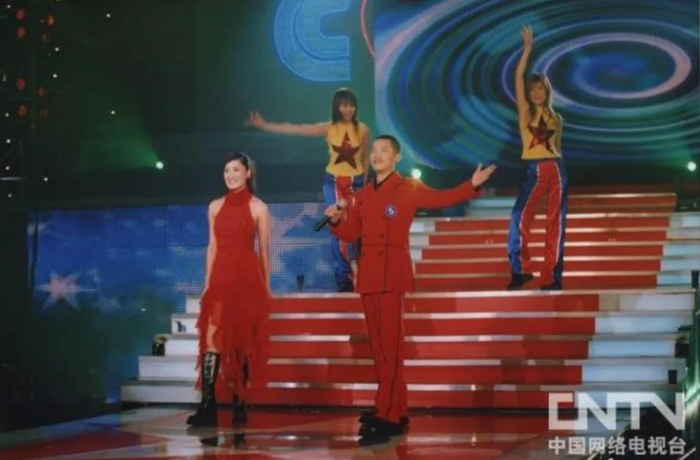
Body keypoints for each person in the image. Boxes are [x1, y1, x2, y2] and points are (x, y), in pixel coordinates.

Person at [325, 135, 496, 445]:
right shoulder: (363, 195)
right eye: (374, 151)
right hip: (369, 276)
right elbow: (352, 233)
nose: (377, 155)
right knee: (379, 348)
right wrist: (336, 221)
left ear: (397, 157)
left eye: (384, 151)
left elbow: (443, 198)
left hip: (392, 274)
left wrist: (471, 184)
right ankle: (394, 408)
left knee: (390, 348)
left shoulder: (407, 188)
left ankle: (387, 414)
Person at [246, 88, 369, 292]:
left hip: (355, 184)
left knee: (356, 228)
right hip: (333, 182)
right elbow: (297, 129)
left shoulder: (363, 129)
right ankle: (343, 278)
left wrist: (363, 184)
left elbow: (365, 158)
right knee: (336, 226)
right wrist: (265, 125)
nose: (348, 109)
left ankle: (362, 273)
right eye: (344, 105)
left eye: (351, 105)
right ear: (337, 107)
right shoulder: (328, 127)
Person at [187, 152, 271, 427]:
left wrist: (266, 287)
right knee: (212, 337)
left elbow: (264, 251)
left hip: (246, 280)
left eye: (236, 169)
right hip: (221, 279)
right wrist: (207, 283)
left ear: (248, 173)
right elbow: (212, 247)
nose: (230, 175)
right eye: (226, 170)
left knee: (241, 341)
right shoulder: (215, 206)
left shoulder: (259, 208)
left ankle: (239, 403)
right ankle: (208, 406)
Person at [507, 25, 569, 291]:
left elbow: (558, 148)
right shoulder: (525, 112)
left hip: (556, 170)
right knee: (519, 216)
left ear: (547, 90)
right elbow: (518, 76)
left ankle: (551, 278)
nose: (536, 93)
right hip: (535, 170)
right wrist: (527, 50)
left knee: (555, 224)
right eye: (532, 89)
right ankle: (521, 270)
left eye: (540, 88)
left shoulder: (557, 118)